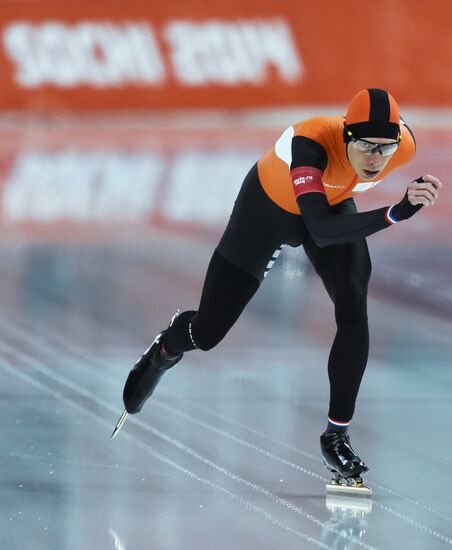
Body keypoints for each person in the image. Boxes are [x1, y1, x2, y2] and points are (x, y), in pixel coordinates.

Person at [113, 88, 442, 493]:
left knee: (353, 305)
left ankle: (335, 436)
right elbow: (319, 229)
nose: (375, 160)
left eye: (384, 149)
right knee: (208, 333)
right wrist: (396, 212)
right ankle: (166, 347)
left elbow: (331, 219)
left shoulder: (403, 145)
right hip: (267, 211)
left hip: (333, 204)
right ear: (345, 137)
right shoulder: (310, 144)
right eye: (366, 148)